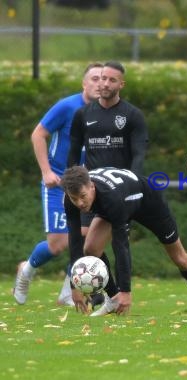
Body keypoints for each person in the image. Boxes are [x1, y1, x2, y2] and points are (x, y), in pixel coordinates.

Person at [61, 165, 187, 317]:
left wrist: (127, 291)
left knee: (180, 258)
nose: (80, 203)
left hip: (149, 203)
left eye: (83, 196)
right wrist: (74, 286)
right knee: (90, 248)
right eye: (74, 199)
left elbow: (120, 245)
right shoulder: (70, 199)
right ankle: (113, 298)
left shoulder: (112, 199)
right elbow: (75, 240)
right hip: (118, 202)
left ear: (92, 186)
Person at [13, 63, 103, 306]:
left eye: (103, 79)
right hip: (58, 182)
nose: (99, 83)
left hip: (87, 186)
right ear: (84, 84)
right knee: (57, 244)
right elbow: (38, 134)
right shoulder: (67, 106)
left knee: (88, 239)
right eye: (94, 78)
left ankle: (67, 292)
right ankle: (27, 270)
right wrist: (46, 171)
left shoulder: (107, 112)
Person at [66, 60, 149, 309]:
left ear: (121, 84)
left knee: (99, 244)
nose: (103, 83)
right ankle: (109, 295)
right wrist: (70, 183)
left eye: (111, 79)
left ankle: (114, 294)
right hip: (89, 191)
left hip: (118, 193)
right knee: (85, 242)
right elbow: (73, 153)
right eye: (101, 78)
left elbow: (138, 155)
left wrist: (132, 186)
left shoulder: (132, 115)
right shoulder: (83, 114)